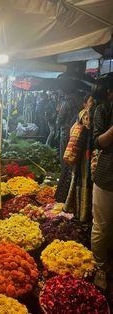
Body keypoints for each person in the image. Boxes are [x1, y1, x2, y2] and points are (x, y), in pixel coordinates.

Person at [90, 73, 113, 290]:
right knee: (102, 226)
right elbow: (98, 142)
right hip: (107, 175)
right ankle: (99, 266)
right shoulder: (102, 110)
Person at [65, 95, 95, 223]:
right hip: (84, 154)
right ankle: (82, 215)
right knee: (83, 181)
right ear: (85, 103)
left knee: (82, 182)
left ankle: (81, 213)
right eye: (91, 101)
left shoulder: (85, 114)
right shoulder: (85, 115)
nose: (93, 104)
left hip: (85, 154)